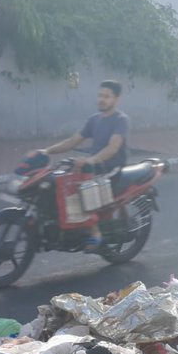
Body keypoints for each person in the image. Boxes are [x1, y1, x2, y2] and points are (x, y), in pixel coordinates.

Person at [27, 80, 130, 248]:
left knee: (81, 188)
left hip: (111, 167)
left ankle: (96, 234)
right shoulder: (94, 119)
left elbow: (112, 148)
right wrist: (47, 151)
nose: (101, 99)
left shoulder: (121, 120)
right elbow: (73, 140)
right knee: (58, 182)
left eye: (107, 96)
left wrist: (91, 160)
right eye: (100, 95)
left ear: (116, 99)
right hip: (93, 165)